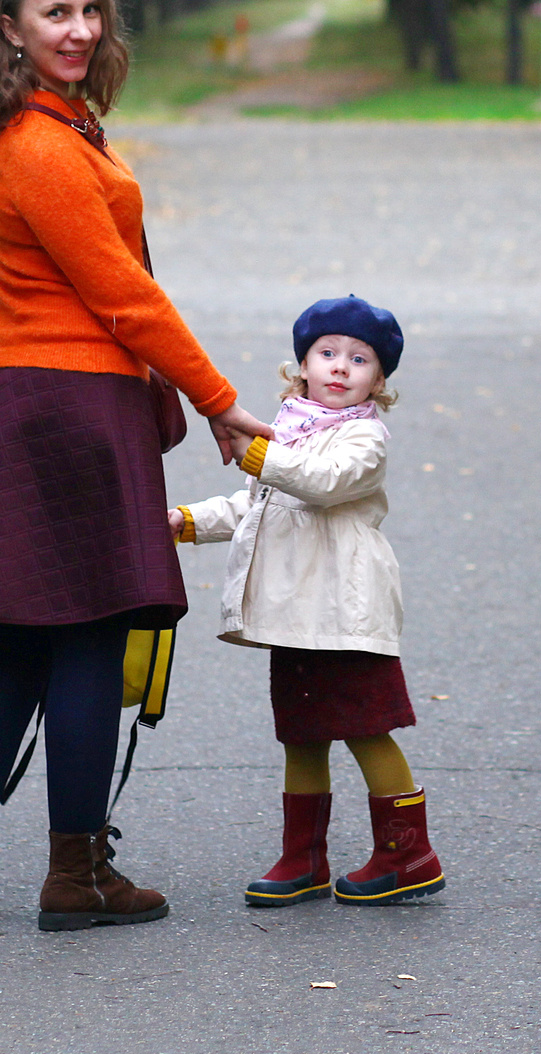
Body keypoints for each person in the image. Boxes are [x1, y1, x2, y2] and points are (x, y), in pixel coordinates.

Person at [0, 0, 272, 934]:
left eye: (88, 10)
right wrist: (217, 398)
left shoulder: (59, 130)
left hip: (34, 401)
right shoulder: (39, 146)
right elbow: (124, 298)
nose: (77, 28)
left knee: (21, 644)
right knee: (88, 640)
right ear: (10, 31)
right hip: (62, 407)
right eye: (54, 13)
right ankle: (73, 877)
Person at [173, 298, 444, 907]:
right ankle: (304, 857)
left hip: (345, 614)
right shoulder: (289, 431)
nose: (341, 367)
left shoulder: (365, 438)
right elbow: (257, 505)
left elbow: (319, 485)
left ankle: (409, 856)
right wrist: (185, 521)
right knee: (301, 733)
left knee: (367, 728)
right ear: (301, 365)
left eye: (360, 359)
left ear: (380, 380)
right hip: (297, 615)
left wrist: (253, 449)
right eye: (327, 353)